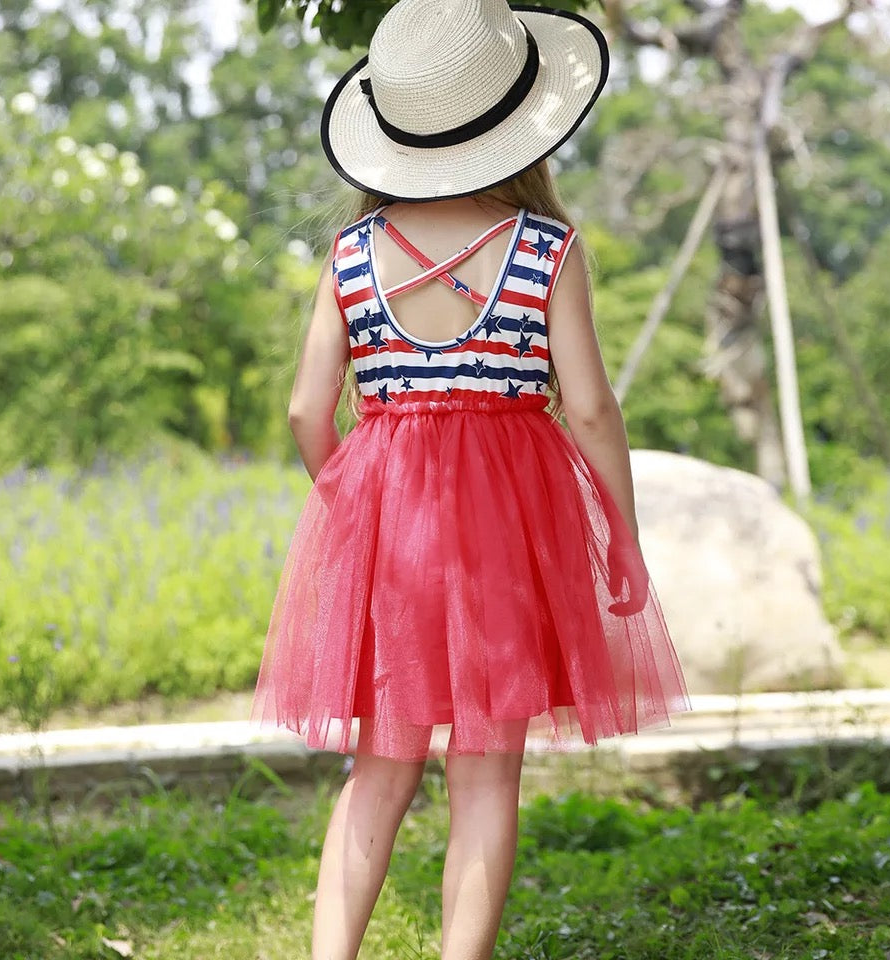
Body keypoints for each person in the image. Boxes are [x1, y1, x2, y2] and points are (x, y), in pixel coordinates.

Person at [250, 1, 692, 957]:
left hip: (390, 525)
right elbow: (589, 408)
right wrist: (622, 530)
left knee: (380, 768)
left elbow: (302, 410)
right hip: (508, 532)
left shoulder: (350, 255)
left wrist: (350, 506)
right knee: (488, 772)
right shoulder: (545, 250)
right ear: (518, 122)